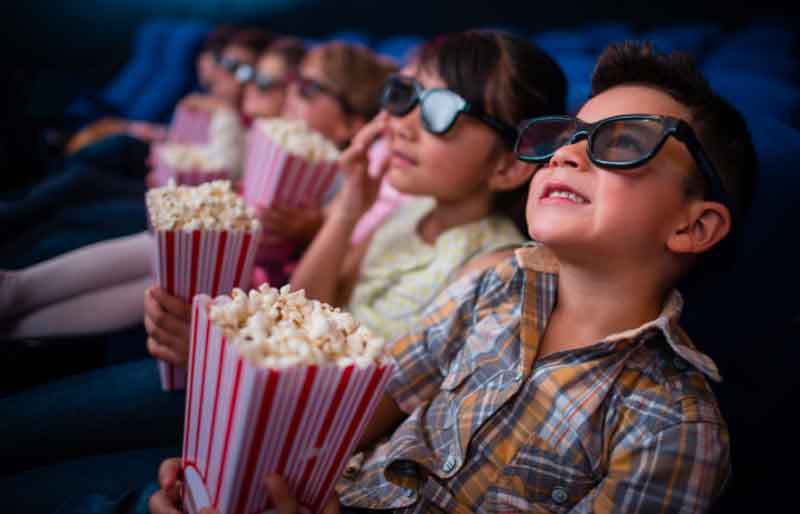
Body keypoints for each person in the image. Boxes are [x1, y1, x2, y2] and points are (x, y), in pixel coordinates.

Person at [151, 41, 756, 513]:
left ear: (694, 226)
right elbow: (360, 415)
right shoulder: (491, 281)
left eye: (622, 144)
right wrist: (234, 467)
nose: (566, 153)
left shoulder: (674, 430)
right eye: (568, 136)